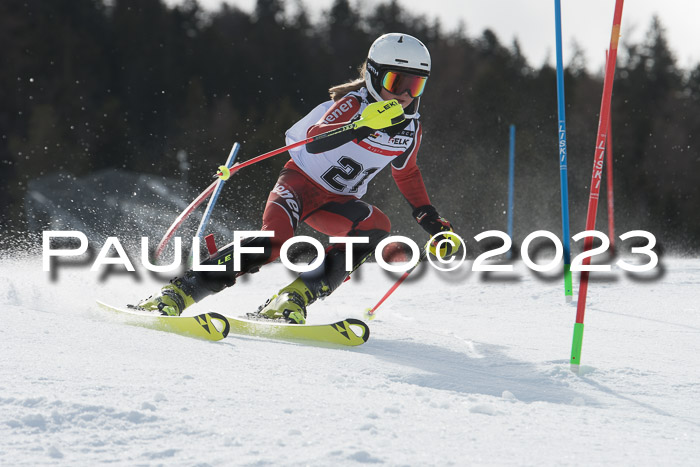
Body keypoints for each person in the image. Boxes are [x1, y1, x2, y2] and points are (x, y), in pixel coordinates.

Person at [138, 33, 461, 323]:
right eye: (396, 81)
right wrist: (364, 124)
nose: (405, 94)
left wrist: (429, 218)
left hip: (337, 202)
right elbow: (317, 137)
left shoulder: (410, 128)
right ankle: (178, 293)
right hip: (298, 185)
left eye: (415, 85)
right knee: (274, 243)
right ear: (375, 78)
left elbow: (406, 172)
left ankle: (292, 298)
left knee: (376, 226)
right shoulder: (353, 103)